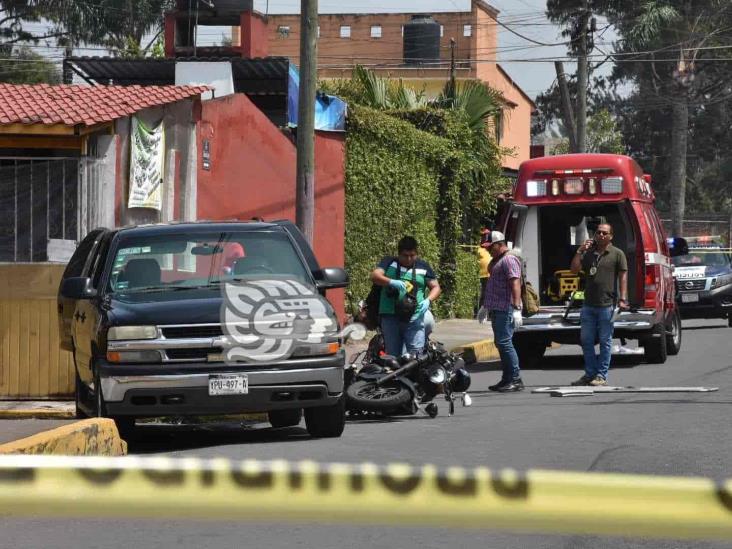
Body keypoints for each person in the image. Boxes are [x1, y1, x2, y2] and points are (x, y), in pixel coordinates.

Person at [570, 222, 629, 386]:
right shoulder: (588, 254)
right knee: (586, 340)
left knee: (605, 341)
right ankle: (590, 374)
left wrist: (623, 298)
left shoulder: (617, 254)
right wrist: (579, 251)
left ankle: (601, 376)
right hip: (588, 305)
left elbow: (623, 277)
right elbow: (574, 270)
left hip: (607, 305)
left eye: (604, 233)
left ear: (611, 236)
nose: (601, 235)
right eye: (598, 232)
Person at [371, 236, 441, 357]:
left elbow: (436, 287)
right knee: (392, 356)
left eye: (412, 255)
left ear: (417, 254)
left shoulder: (423, 266)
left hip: (414, 317)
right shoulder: (389, 262)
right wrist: (391, 282)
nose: (409, 259)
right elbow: (375, 276)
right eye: (405, 255)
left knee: (417, 356)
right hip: (390, 317)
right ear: (398, 254)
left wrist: (428, 300)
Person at [477, 231, 524, 392]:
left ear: (499, 244)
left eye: (491, 247)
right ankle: (507, 379)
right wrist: (485, 306)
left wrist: (517, 308)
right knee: (501, 343)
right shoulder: (498, 260)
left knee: (505, 343)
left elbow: (515, 284)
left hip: (507, 307)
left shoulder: (509, 259)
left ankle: (516, 379)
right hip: (497, 307)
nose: (489, 250)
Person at [476, 228, 492, 316]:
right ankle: (482, 313)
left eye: (487, 235)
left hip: (492, 275)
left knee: (491, 294)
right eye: (483, 235)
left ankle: (489, 313)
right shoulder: (478, 249)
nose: (485, 237)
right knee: (484, 294)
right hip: (483, 275)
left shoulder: (491, 247)